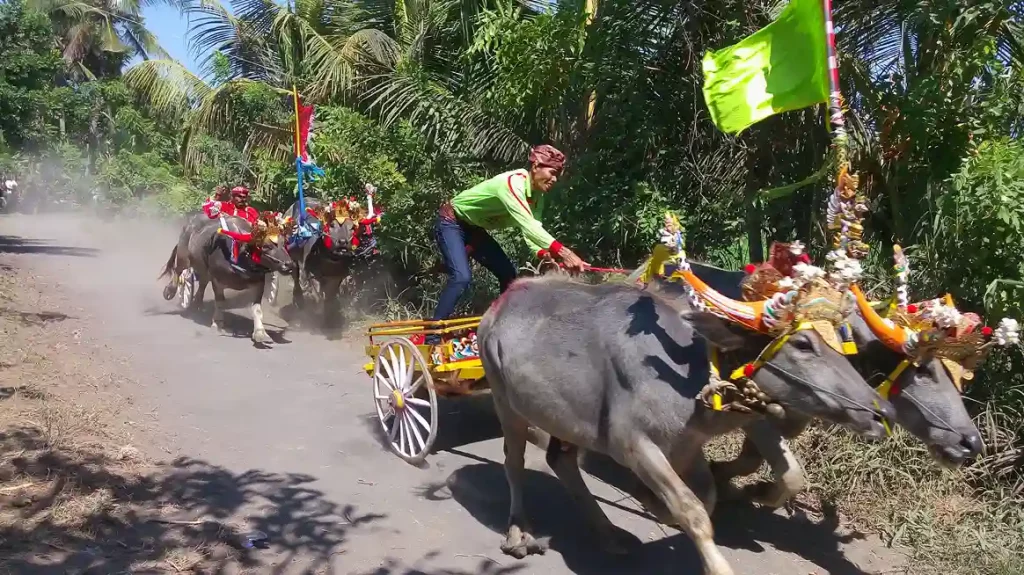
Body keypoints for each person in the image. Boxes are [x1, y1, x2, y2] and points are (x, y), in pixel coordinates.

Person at [428, 144, 587, 327]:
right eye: (552, 172)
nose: (554, 179)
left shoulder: (537, 197)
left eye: (558, 175)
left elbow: (532, 229)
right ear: (536, 167)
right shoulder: (512, 184)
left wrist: (546, 255)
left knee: (508, 275)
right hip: (451, 222)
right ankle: (433, 335)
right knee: (461, 277)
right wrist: (565, 253)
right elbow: (528, 225)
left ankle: (501, 328)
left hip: (475, 230)